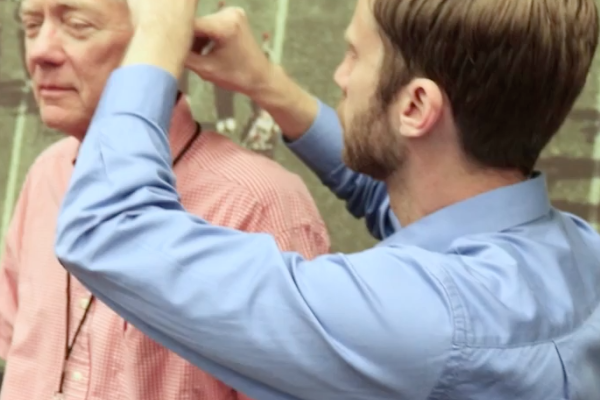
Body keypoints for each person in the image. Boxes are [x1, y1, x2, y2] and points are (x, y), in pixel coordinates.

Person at [54, 0, 600, 399]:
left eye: (353, 55)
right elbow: (397, 193)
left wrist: (157, 35)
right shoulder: (575, 253)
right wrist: (267, 84)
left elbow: (108, 229)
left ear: (415, 106)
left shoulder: (424, 326)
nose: (339, 75)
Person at [0, 0, 330, 399]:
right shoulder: (45, 175)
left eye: (77, 24)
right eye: (32, 25)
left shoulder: (259, 203)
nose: (39, 52)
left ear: (159, 41)